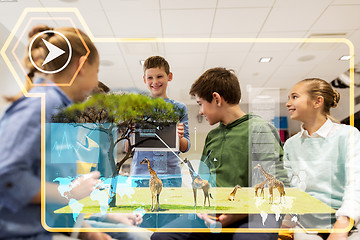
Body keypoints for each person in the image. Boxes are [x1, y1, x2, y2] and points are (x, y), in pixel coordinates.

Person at [0, 25, 140, 240]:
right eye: (97, 72)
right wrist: (69, 192)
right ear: (82, 66)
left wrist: (90, 234)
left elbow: (51, 203)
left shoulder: (59, 111)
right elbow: (7, 178)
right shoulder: (43, 104)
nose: (96, 81)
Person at [152, 67, 287, 240]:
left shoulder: (260, 129)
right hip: (215, 213)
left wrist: (237, 212)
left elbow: (276, 186)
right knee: (161, 237)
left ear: (216, 98)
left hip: (254, 213)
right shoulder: (213, 136)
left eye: (200, 104)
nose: (200, 111)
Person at [283, 78, 360, 240]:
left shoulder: (348, 135)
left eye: (294, 97)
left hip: (348, 225)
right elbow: (292, 189)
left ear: (317, 101)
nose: (288, 103)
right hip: (307, 227)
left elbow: (355, 183)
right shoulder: (291, 145)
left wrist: (341, 227)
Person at [128, 56, 191, 188]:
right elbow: (126, 147)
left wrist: (179, 137)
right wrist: (131, 134)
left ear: (170, 76)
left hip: (170, 176)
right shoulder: (136, 108)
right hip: (141, 176)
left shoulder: (179, 108)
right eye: (150, 78)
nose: (155, 81)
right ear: (144, 79)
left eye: (159, 76)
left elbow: (185, 146)